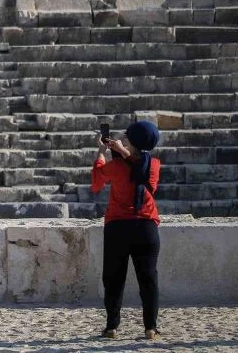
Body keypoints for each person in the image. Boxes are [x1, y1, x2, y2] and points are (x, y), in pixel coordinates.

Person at [91, 120, 162, 340]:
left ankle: (112, 326)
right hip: (146, 227)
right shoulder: (154, 165)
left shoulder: (114, 166)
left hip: (117, 227)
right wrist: (123, 152)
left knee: (113, 279)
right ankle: (150, 328)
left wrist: (102, 152)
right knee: (148, 280)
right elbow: (142, 176)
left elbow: (96, 183)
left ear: (130, 143)